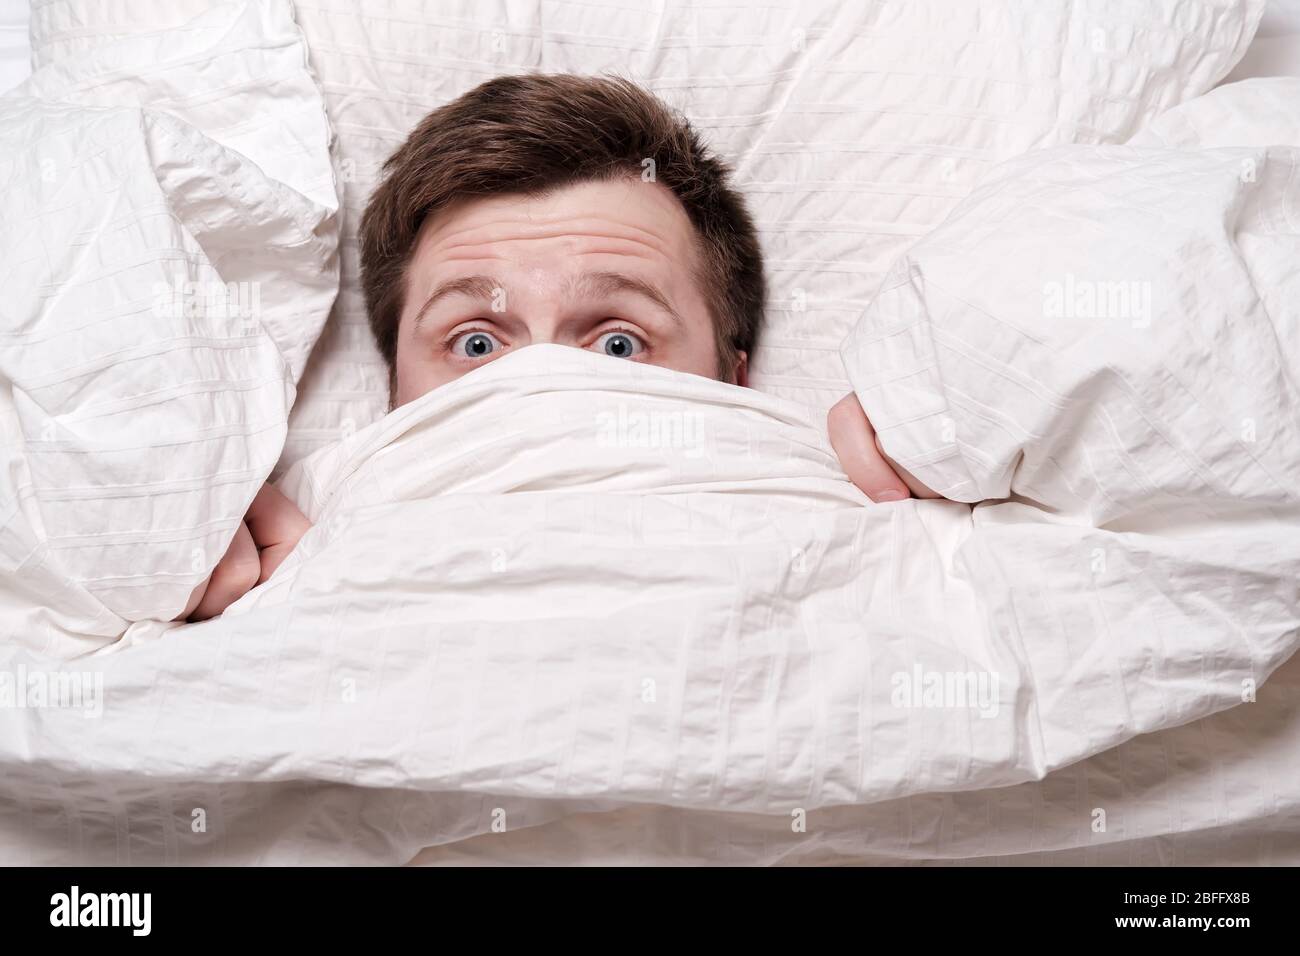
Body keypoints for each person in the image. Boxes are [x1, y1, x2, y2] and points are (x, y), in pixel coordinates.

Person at [181, 72, 929, 622]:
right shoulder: (257, 573)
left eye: (616, 343)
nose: (539, 381)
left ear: (734, 382)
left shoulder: (885, 539)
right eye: (476, 342)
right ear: (391, 396)